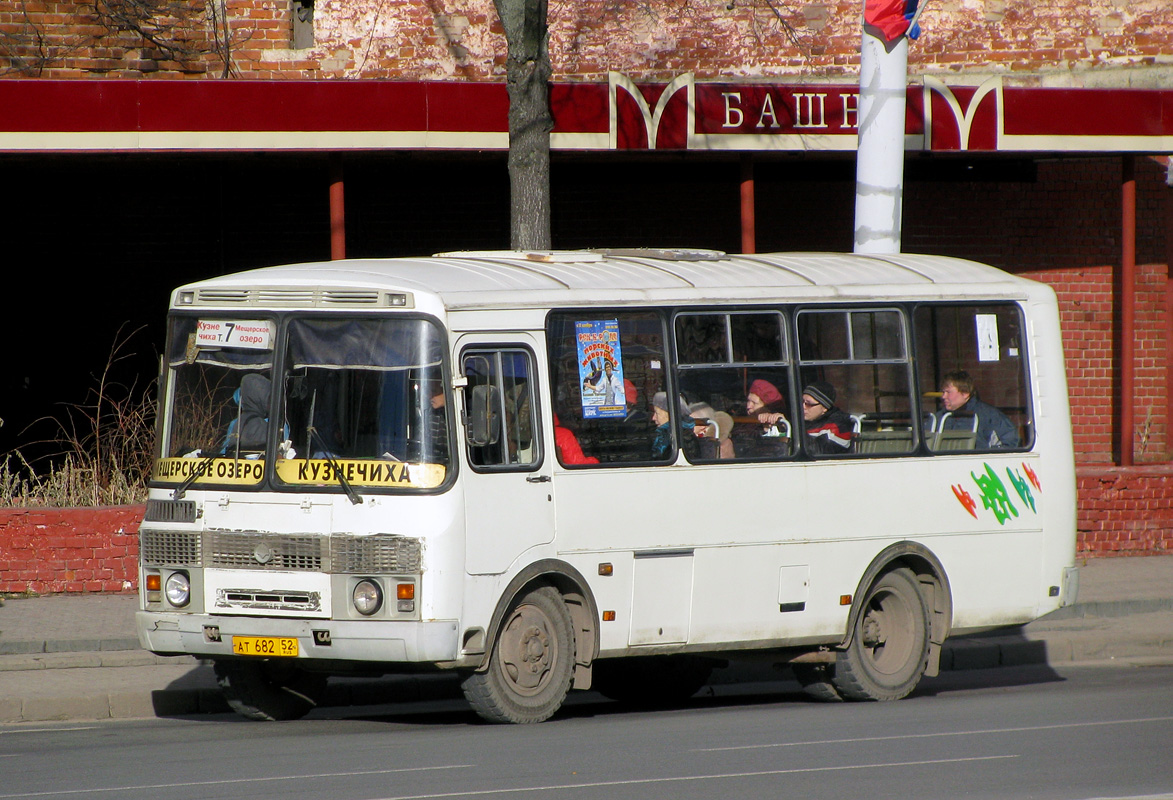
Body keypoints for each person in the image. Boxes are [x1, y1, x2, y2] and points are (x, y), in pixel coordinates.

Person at [937, 370, 1020, 448]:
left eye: (948, 392)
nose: (943, 396)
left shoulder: (989, 416)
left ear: (965, 393)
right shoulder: (939, 418)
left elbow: (1010, 444)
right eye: (943, 392)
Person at [802, 381, 853, 454]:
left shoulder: (839, 425)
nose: (803, 407)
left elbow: (819, 452)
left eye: (809, 404)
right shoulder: (804, 421)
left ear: (824, 408)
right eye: (802, 402)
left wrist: (795, 432)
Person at [651, 391, 694, 459]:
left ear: (670, 416)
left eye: (657, 413)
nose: (653, 418)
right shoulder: (665, 436)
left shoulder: (679, 439)